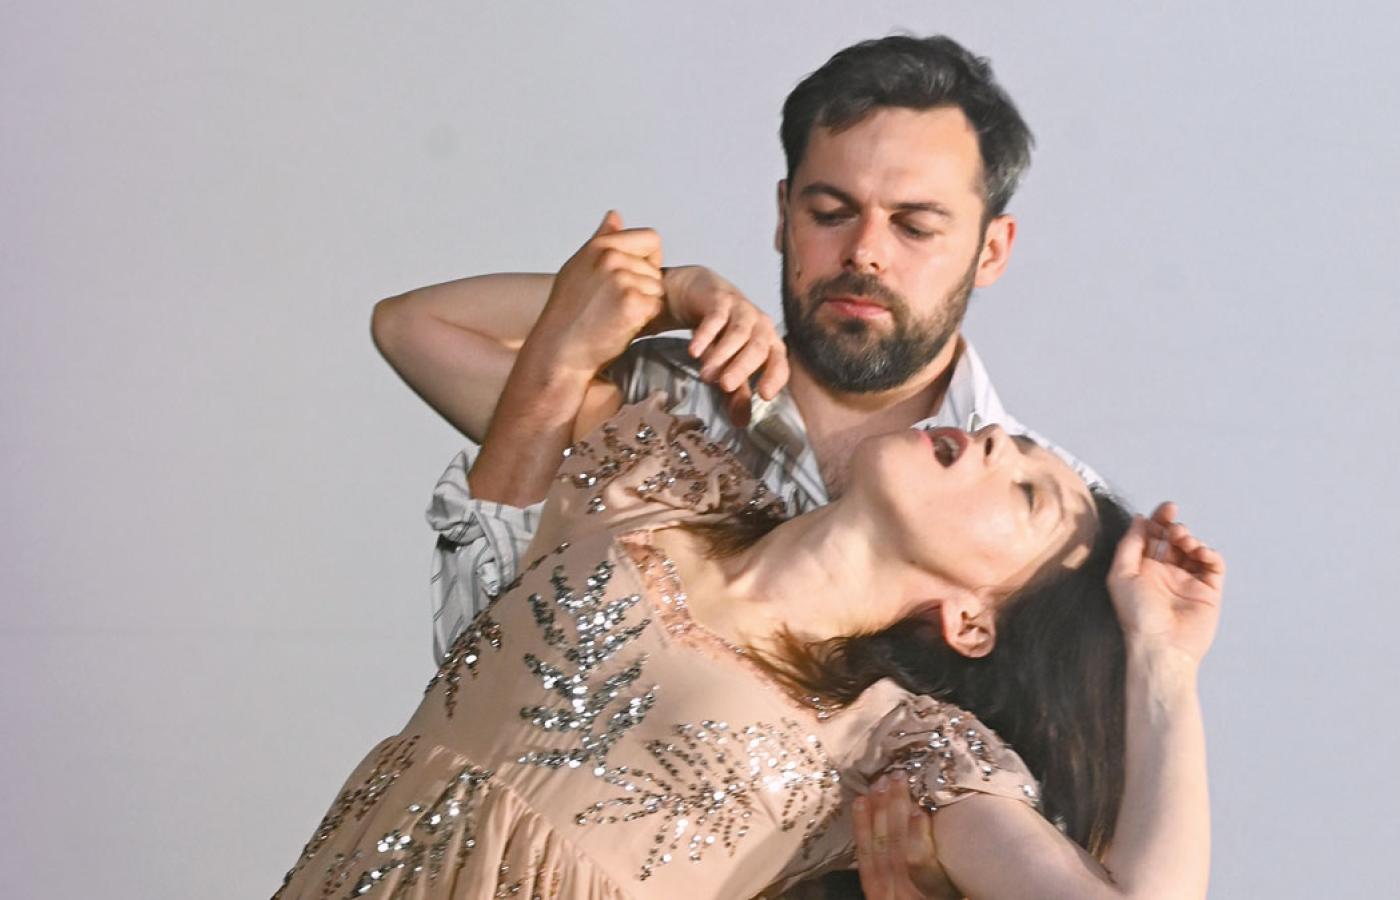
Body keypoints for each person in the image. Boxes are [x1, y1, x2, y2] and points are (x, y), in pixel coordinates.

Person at [272, 390, 1221, 899]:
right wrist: (675, 291)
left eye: (1026, 493)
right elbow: (423, 331)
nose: (994, 442)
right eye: (1008, 439)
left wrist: (1164, 663)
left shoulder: (895, 746)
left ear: (974, 622)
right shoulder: (666, 485)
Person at [369, 35, 1106, 663]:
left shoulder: (1054, 518)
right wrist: (667, 294)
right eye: (831, 212)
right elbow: (413, 328)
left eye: (914, 227)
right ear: (783, 215)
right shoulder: (659, 403)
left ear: (991, 250)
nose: (865, 252)